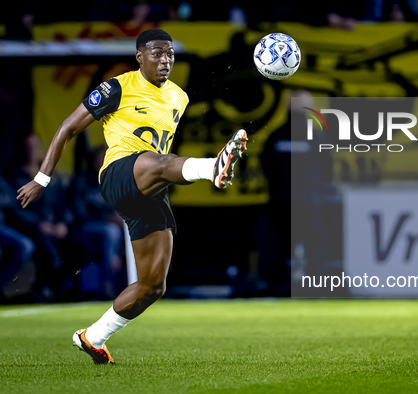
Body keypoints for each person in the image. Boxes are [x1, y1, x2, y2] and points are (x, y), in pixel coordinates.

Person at [16, 28, 248, 365]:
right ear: (140, 57)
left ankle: (92, 337)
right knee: (160, 162)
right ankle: (213, 167)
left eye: (169, 53)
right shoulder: (117, 87)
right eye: (156, 53)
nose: (165, 60)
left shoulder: (179, 97)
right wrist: (41, 178)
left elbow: (164, 159)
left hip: (150, 191)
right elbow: (67, 127)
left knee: (153, 286)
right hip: (119, 174)